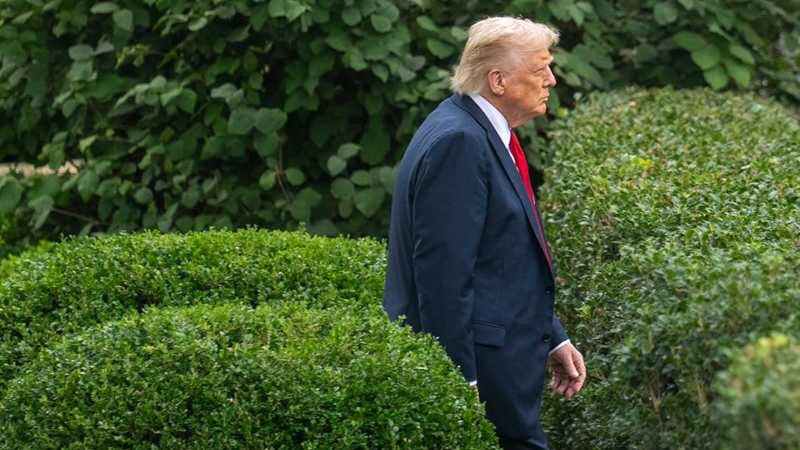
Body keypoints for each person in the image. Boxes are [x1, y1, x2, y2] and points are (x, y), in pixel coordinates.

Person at [382, 16, 586, 450]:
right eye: (539, 69)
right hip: (485, 375)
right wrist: (458, 381)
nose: (551, 80)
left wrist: (554, 336)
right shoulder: (461, 142)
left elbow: (501, 257)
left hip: (501, 364)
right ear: (498, 80)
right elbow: (443, 278)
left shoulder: (476, 128)